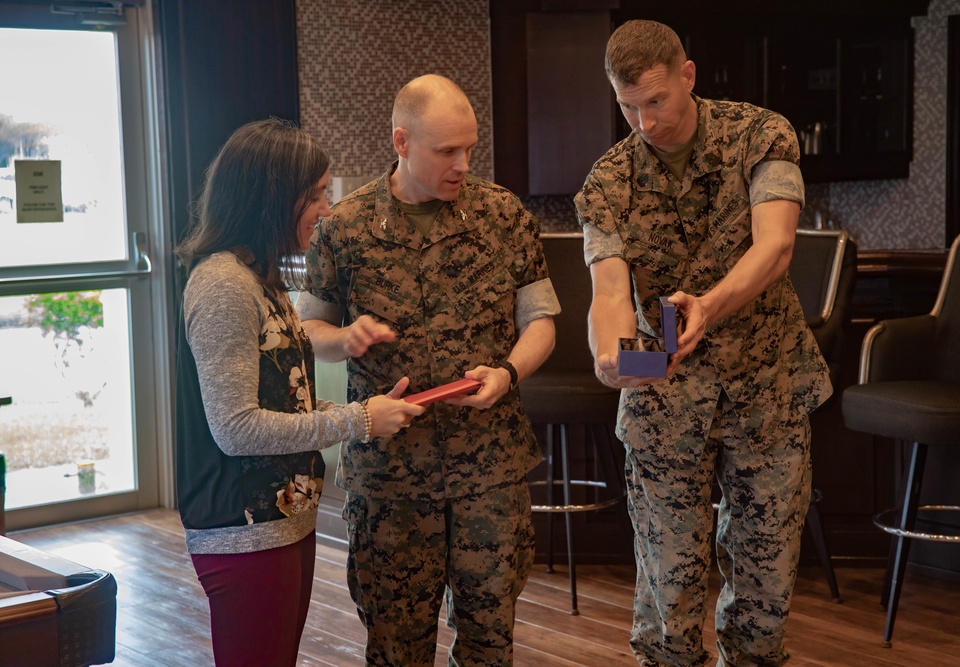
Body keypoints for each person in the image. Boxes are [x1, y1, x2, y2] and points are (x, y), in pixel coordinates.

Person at [575, 20, 833, 667]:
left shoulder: (761, 135)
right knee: (669, 583)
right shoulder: (607, 182)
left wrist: (708, 305)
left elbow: (775, 246)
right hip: (667, 396)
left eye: (655, 101)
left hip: (766, 387)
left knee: (765, 584)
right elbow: (608, 290)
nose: (644, 121)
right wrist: (609, 356)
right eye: (627, 105)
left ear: (687, 76)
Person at [296, 74, 559, 666]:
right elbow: (308, 333)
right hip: (391, 479)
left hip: (488, 469)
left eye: (470, 148)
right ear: (402, 142)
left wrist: (508, 373)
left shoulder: (503, 216)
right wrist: (345, 336)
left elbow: (541, 322)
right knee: (396, 649)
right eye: (447, 151)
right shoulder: (345, 227)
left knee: (490, 645)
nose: (463, 163)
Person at [174, 118, 424, 667]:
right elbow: (236, 429)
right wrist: (356, 420)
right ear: (272, 198)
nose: (326, 212)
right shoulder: (223, 285)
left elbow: (288, 405)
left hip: (282, 521)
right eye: (314, 196)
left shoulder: (260, 278)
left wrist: (373, 413)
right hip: (242, 530)